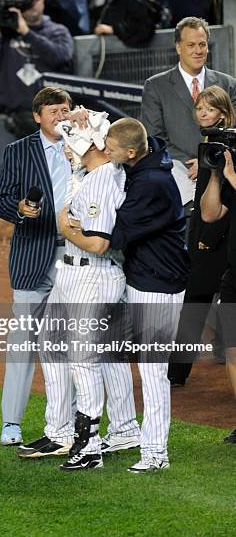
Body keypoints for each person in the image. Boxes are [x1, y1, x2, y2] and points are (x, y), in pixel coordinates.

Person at [16, 119, 140, 468]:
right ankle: (60, 432)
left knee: (84, 362)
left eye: (75, 140)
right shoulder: (90, 173)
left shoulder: (102, 180)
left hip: (93, 276)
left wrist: (62, 227)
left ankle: (89, 446)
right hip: (71, 273)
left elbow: (98, 243)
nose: (67, 144)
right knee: (52, 347)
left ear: (96, 146)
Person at [0, 86, 85, 446]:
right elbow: (1, 201)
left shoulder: (85, 145)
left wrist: (83, 124)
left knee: (73, 341)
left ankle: (77, 420)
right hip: (33, 255)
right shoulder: (18, 151)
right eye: (53, 112)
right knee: (22, 342)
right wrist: (19, 209)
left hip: (76, 256)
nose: (61, 117)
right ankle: (11, 423)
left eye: (65, 110)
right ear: (37, 116)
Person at [104, 118, 190, 472]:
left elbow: (111, 235)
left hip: (157, 285)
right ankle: (124, 428)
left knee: (154, 371)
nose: (105, 153)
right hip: (144, 277)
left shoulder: (152, 183)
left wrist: (71, 224)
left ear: (129, 153)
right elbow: (136, 134)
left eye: (110, 150)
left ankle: (156, 453)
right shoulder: (147, 155)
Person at [169, 86, 235, 386]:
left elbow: (226, 205)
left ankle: (176, 374)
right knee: (197, 303)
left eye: (209, 108)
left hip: (219, 238)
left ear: (222, 112)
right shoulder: (209, 144)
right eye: (199, 108)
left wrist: (209, 237)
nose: (203, 113)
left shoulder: (226, 145)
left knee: (196, 303)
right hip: (205, 234)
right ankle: (176, 373)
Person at [0, 0, 73, 180]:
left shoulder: (57, 31)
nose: (31, 5)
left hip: (49, 124)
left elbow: (61, 56)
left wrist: (27, 33)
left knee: (50, 179)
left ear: (43, 3)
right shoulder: (4, 33)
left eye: (35, 0)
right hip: (9, 119)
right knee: (8, 180)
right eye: (26, 1)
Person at [141, 16, 236, 182]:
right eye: (191, 45)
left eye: (202, 44)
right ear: (178, 47)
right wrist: (192, 164)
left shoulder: (228, 84)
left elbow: (233, 130)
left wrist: (209, 159)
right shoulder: (155, 86)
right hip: (179, 173)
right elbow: (154, 136)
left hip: (223, 173)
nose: (198, 51)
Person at [201, 145, 236, 445]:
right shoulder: (231, 175)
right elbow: (210, 214)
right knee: (234, 354)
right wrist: (216, 174)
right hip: (234, 277)